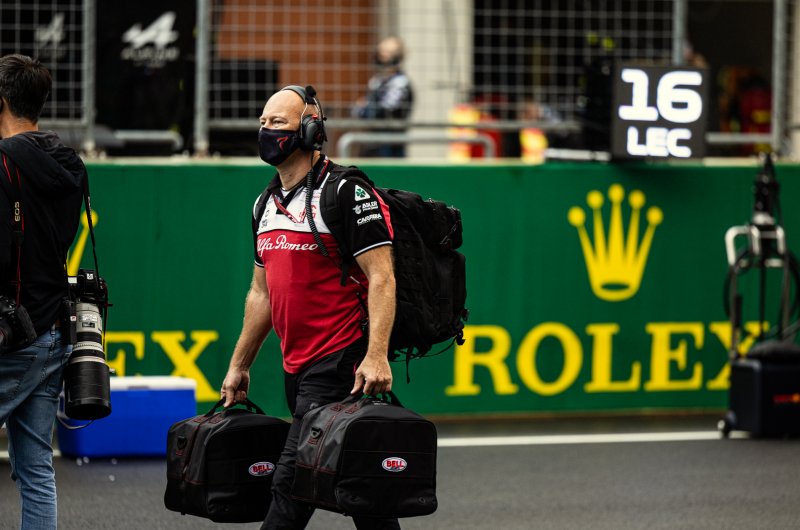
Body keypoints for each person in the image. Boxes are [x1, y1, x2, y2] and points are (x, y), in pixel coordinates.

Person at [221, 84, 399, 530]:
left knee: (291, 485)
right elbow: (261, 293)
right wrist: (240, 365)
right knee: (360, 486)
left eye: (277, 122)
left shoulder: (347, 192)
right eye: (262, 122)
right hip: (295, 368)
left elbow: (382, 277)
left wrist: (376, 355)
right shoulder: (265, 203)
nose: (266, 131)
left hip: (340, 362)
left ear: (310, 130)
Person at [0, 54, 86, 529]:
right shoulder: (68, 162)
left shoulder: (3, 163)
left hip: (12, 337)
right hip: (55, 330)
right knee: (36, 469)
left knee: (35, 470)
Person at [352, 36, 414, 157]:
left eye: (388, 52)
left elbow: (382, 111)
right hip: (372, 143)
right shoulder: (377, 81)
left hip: (391, 145)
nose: (383, 55)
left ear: (398, 56)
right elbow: (358, 111)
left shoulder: (401, 84)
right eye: (381, 51)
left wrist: (366, 107)